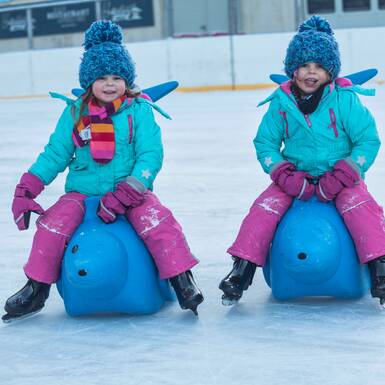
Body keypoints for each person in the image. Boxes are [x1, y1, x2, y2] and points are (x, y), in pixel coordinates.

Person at [3, 20, 204, 321]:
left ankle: (181, 279)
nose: (110, 84)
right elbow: (56, 153)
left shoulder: (139, 111)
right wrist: (27, 188)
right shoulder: (75, 113)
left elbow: (150, 156)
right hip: (82, 193)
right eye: (101, 77)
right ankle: (37, 287)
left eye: (116, 77)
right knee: (51, 226)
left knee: (158, 221)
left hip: (130, 191)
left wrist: (129, 191)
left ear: (127, 80)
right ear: (88, 81)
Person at [219, 15, 385, 305]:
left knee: (361, 208)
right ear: (292, 70)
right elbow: (266, 143)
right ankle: (241, 270)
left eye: (320, 66)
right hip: (295, 178)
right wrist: (283, 174)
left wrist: (345, 173)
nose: (311, 72)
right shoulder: (281, 104)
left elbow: (367, 140)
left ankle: (380, 268)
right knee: (263, 209)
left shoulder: (345, 100)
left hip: (342, 178)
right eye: (305, 65)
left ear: (330, 71)